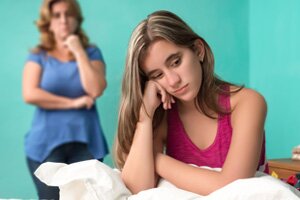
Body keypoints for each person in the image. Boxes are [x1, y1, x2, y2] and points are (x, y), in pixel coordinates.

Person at [114, 10, 268, 196]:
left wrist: (156, 160)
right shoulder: (163, 115)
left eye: (176, 62)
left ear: (198, 50)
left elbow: (231, 188)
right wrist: (144, 117)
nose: (172, 81)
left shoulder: (248, 103)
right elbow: (136, 189)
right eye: (158, 75)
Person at [22, 0, 108, 199]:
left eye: (68, 14)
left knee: (88, 197)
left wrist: (78, 51)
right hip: (45, 144)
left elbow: (95, 89)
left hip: (87, 141)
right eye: (57, 15)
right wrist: (73, 103)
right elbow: (30, 93)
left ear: (77, 19)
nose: (63, 20)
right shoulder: (38, 55)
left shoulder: (91, 53)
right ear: (48, 22)